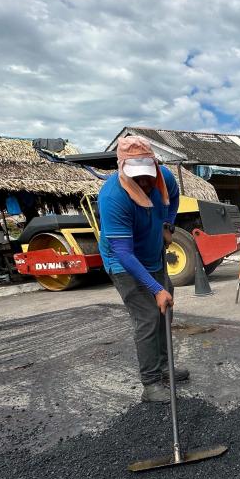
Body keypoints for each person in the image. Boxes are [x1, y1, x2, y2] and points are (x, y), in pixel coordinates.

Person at [98, 135, 183, 403]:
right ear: (123, 169)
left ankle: (165, 367)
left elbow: (175, 197)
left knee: (164, 312)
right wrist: (156, 289)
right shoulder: (113, 197)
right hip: (123, 262)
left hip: (153, 253)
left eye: (148, 174)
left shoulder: (164, 177)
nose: (144, 182)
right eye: (137, 176)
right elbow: (123, 252)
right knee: (147, 316)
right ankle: (151, 383)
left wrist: (168, 225)